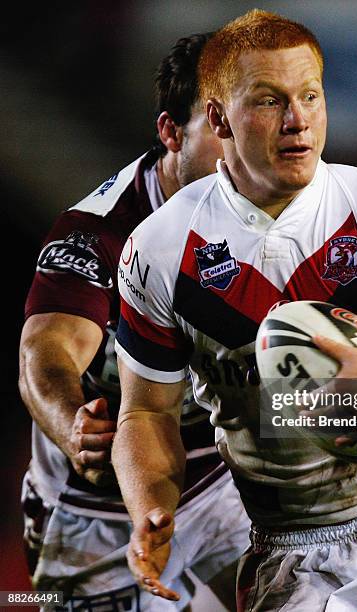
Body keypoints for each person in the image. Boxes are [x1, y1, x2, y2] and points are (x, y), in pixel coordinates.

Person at [112, 10, 357, 611]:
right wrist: (149, 506)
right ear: (219, 117)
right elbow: (144, 414)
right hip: (294, 539)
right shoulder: (159, 249)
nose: (298, 121)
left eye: (311, 96)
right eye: (270, 101)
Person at [18, 33, 250, 612]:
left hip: (226, 480)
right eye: (221, 127)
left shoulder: (288, 203)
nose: (246, 147)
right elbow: (44, 355)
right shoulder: (99, 233)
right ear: (171, 132)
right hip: (103, 514)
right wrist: (75, 425)